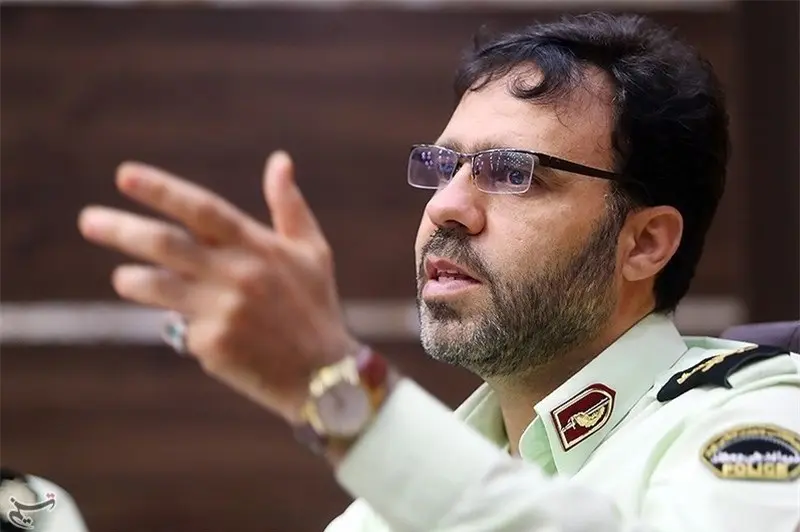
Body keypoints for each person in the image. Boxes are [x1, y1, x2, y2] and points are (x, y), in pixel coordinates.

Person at [77, 12, 800, 532]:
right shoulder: (394, 498)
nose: (446, 207)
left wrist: (341, 392)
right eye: (442, 165)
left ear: (644, 243)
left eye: (511, 172)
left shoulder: (755, 421)